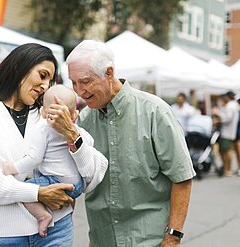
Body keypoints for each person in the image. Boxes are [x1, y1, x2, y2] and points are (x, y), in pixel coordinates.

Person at [0, 43, 108, 246]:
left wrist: (72, 135)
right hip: (4, 237)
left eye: (50, 81)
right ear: (20, 66)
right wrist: (37, 193)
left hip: (58, 230)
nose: (45, 86)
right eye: (42, 75)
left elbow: (94, 174)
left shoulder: (49, 115)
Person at [51, 40, 196, 247]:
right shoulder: (82, 121)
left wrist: (172, 238)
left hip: (150, 241)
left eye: (85, 81)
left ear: (109, 73)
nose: (78, 91)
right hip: (102, 240)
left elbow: (182, 178)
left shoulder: (155, 112)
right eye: (73, 83)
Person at [2, 84, 106, 237]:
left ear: (43, 112)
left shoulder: (43, 131)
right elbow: (88, 143)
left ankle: (43, 216)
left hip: (55, 182)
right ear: (75, 114)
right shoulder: (77, 131)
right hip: (76, 185)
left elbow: (34, 159)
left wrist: (13, 168)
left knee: (24, 191)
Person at [212, 91, 239, 177]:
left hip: (227, 132)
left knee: (227, 151)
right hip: (228, 132)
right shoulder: (233, 105)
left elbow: (227, 119)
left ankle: (228, 169)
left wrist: (217, 114)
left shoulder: (230, 106)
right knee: (223, 150)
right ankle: (226, 168)